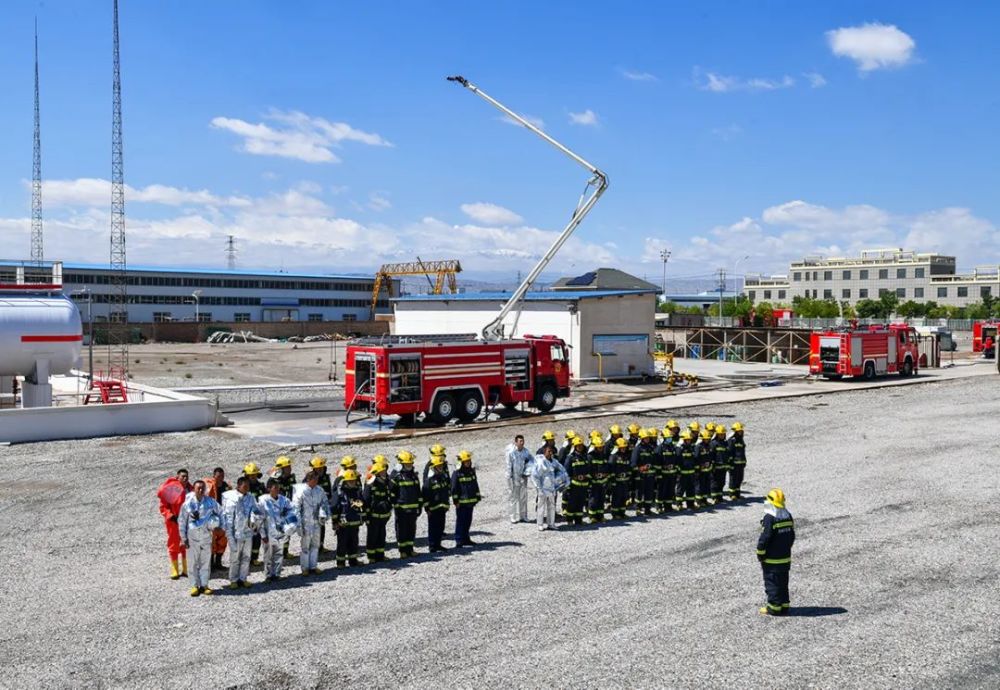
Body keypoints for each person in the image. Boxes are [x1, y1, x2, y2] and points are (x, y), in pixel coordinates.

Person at [179, 480, 222, 597]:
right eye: (198, 488)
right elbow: (182, 522)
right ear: (194, 489)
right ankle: (194, 586)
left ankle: (204, 585)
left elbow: (221, 512)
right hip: (191, 539)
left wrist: (220, 526)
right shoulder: (187, 504)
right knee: (192, 563)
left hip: (206, 538)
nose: (201, 490)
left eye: (203, 488)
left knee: (205, 563)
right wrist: (183, 538)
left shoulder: (210, 502)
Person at [757, 488, 795, 616]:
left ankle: (774, 607)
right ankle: (784, 605)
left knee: (772, 583)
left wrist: (760, 552)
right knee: (783, 583)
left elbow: (765, 537)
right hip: (785, 558)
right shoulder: (787, 515)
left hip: (772, 560)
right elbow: (792, 535)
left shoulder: (769, 518)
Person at [221, 476, 261, 590]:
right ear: (238, 486)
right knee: (235, 558)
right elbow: (227, 518)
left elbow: (256, 511)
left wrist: (254, 518)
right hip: (236, 534)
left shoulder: (251, 497)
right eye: (245, 486)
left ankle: (243, 579)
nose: (247, 488)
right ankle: (233, 580)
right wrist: (229, 535)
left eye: (248, 486)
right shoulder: (230, 498)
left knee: (246, 557)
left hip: (248, 533)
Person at [257, 478, 297, 582]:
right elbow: (259, 519)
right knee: (268, 555)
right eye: (275, 488)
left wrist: (289, 521)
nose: (278, 489)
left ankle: (277, 573)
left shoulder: (284, 500)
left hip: (281, 532)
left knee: (279, 554)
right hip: (268, 534)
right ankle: (268, 575)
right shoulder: (263, 501)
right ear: (269, 488)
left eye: (278, 487)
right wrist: (263, 535)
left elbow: (293, 510)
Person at [293, 470, 331, 575]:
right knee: (305, 547)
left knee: (315, 545)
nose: (316, 481)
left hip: (316, 523)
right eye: (314, 479)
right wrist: (298, 524)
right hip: (305, 523)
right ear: (309, 479)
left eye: (317, 479)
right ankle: (305, 568)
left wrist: (323, 514)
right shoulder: (301, 491)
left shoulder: (320, 490)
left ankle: (313, 566)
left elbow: (325, 503)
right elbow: (296, 508)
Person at [157, 469, 191, 580]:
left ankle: (186, 568)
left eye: (186, 476)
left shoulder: (190, 489)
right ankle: (175, 568)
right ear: (177, 477)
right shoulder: (171, 489)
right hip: (174, 521)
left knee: (186, 543)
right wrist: (170, 516)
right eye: (183, 476)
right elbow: (163, 506)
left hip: (186, 521)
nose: (185, 478)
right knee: (174, 543)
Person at [390, 451, 423, 557]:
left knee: (411, 529)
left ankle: (410, 548)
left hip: (413, 508)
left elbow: (418, 491)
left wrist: (420, 506)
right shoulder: (396, 476)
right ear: (401, 463)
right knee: (401, 530)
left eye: (410, 463)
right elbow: (391, 492)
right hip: (401, 509)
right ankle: (402, 550)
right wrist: (396, 504)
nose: (409, 465)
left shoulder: (413, 475)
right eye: (407, 464)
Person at [332, 469, 365, 567]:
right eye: (350, 481)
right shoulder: (340, 493)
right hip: (343, 524)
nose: (353, 482)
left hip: (354, 522)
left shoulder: (357, 492)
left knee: (354, 543)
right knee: (342, 543)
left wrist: (362, 518)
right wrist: (335, 522)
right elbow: (334, 508)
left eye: (354, 480)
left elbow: (361, 505)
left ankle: (353, 561)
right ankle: (340, 562)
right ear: (345, 481)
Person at [362, 457, 393, 562]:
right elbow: (365, 501)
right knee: (372, 537)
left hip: (383, 516)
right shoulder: (370, 484)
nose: (385, 473)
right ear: (378, 473)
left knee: (381, 536)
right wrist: (366, 516)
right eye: (383, 472)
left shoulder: (386, 483)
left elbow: (389, 497)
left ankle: (380, 555)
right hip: (373, 517)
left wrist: (388, 510)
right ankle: (371, 557)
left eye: (385, 471)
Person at [452, 450, 482, 546]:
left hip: (470, 502)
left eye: (469, 461)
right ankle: (459, 540)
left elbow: (475, 485)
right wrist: (456, 501)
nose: (468, 463)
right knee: (461, 521)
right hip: (461, 503)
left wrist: (477, 496)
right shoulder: (457, 474)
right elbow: (454, 488)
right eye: (466, 461)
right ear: (461, 462)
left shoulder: (471, 472)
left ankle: (466, 538)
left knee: (468, 521)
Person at [531, 445, 565, 531]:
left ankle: (551, 523)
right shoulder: (540, 462)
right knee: (541, 507)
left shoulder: (554, 462)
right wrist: (538, 488)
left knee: (552, 507)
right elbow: (535, 476)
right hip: (543, 488)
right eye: (548, 451)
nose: (550, 453)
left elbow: (560, 471)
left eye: (551, 452)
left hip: (551, 488)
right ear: (544, 452)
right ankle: (540, 524)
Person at [204, 467, 231, 572]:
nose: (220, 478)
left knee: (223, 539)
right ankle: (210, 564)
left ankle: (218, 562)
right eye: (218, 476)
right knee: (212, 540)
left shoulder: (227, 487)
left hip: (223, 516)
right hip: (212, 516)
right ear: (214, 475)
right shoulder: (209, 486)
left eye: (222, 476)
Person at [423, 456, 452, 551]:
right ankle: (432, 545)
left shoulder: (443, 478)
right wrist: (427, 508)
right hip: (433, 509)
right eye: (438, 467)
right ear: (434, 468)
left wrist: (447, 505)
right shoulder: (429, 481)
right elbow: (425, 496)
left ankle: (438, 544)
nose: (440, 468)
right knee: (433, 527)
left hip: (442, 508)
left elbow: (445, 493)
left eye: (441, 466)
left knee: (441, 526)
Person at [241, 462, 266, 565]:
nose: (253, 477)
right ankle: (245, 558)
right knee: (246, 538)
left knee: (257, 537)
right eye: (251, 475)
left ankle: (254, 558)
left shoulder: (261, 486)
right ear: (246, 475)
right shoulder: (243, 487)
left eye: (254, 475)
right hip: (246, 516)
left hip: (258, 515)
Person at [505, 434, 534, 524]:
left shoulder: (526, 452)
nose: (522, 443)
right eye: (520, 441)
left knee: (523, 497)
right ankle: (513, 517)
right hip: (514, 478)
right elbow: (508, 465)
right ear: (516, 442)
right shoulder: (511, 453)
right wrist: (509, 478)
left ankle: (523, 516)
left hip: (523, 477)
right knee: (513, 498)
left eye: (523, 441)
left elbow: (531, 462)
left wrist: (527, 472)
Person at [563, 436, 591, 526]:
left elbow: (588, 470)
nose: (580, 447)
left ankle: (578, 520)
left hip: (583, 485)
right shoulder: (570, 458)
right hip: (574, 485)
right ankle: (570, 520)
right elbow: (566, 472)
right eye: (578, 446)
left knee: (580, 503)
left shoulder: (585, 457)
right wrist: (568, 485)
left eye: (581, 445)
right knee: (572, 503)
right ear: (574, 447)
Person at [273, 455, 297, 560]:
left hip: (288, 508)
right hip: (277, 509)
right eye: (287, 467)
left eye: (289, 467)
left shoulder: (291, 478)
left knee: (289, 530)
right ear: (281, 469)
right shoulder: (275, 480)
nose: (290, 469)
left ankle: (285, 551)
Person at [631, 428, 659, 516]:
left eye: (648, 438)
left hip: (650, 475)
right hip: (641, 475)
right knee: (639, 493)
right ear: (642, 439)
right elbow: (633, 464)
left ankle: (647, 509)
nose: (647, 439)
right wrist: (641, 469)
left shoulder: (651, 448)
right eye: (645, 438)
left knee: (649, 492)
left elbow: (654, 461)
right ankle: (638, 509)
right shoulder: (637, 449)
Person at [310, 456, 334, 552]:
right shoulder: (310, 478)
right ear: (314, 469)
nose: (320, 470)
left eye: (322, 468)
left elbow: (329, 491)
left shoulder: (326, 478)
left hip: (323, 507)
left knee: (322, 526)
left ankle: (321, 546)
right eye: (318, 469)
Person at [607, 438, 632, 519]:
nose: (624, 449)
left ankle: (622, 512)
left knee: (623, 497)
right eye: (622, 447)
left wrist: (628, 476)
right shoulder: (613, 456)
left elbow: (628, 467)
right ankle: (615, 514)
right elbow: (611, 469)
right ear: (618, 447)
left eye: (625, 447)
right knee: (616, 498)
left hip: (624, 481)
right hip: (616, 482)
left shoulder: (626, 456)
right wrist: (613, 481)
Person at [587, 436, 609, 523]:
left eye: (602, 447)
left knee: (601, 499)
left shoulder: (603, 456)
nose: (601, 449)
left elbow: (606, 467)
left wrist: (605, 475)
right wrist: (593, 476)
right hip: (593, 483)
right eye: (599, 447)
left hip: (602, 482)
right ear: (595, 447)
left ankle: (600, 516)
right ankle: (592, 516)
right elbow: (588, 470)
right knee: (593, 500)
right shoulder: (590, 457)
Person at [675, 430, 699, 510]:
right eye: (687, 440)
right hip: (682, 473)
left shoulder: (692, 447)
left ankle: (690, 504)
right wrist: (679, 471)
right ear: (684, 440)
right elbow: (677, 461)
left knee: (691, 489)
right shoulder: (679, 448)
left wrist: (695, 470)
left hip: (691, 473)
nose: (689, 441)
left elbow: (695, 459)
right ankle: (679, 504)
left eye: (689, 440)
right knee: (680, 489)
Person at [657, 427, 678, 513]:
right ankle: (659, 506)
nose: (670, 439)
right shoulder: (660, 448)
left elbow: (676, 459)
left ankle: (668, 506)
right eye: (668, 438)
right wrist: (660, 472)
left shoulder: (673, 447)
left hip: (671, 473)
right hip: (663, 474)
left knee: (670, 490)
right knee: (662, 491)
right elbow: (657, 462)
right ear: (664, 438)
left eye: (670, 438)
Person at [710, 425, 731, 504]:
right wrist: (712, 465)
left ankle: (720, 496)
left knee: (722, 482)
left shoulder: (725, 443)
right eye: (720, 434)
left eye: (723, 434)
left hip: (723, 467)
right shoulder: (713, 443)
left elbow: (727, 454)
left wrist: (728, 464)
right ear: (717, 434)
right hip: (716, 467)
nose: (722, 435)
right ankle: (714, 497)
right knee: (714, 482)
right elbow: (711, 455)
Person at [727, 422, 747, 499]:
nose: (741, 432)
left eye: (741, 431)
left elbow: (743, 452)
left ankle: (737, 493)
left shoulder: (741, 440)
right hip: (734, 464)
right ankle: (732, 494)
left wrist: (744, 461)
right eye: (739, 431)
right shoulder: (732, 440)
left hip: (740, 463)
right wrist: (730, 463)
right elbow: (729, 452)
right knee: (733, 479)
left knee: (740, 478)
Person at [695, 428, 713, 508]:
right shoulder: (698, 447)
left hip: (707, 470)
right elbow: (696, 458)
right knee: (700, 486)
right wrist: (699, 467)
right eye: (706, 439)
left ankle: (704, 500)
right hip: (700, 471)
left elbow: (710, 457)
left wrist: (710, 464)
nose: (707, 440)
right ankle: (699, 501)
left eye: (708, 439)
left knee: (706, 486)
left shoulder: (708, 446)